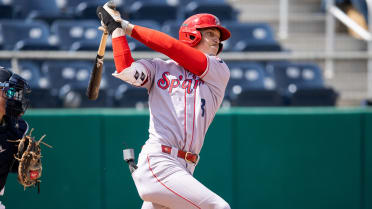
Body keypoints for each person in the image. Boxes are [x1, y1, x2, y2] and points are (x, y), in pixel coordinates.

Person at [97, 1, 231, 208]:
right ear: (192, 35)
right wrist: (117, 32)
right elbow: (126, 69)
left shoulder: (218, 70)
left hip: (185, 168)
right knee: (218, 207)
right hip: (159, 161)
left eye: (218, 36)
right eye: (211, 33)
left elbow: (172, 47)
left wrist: (127, 26)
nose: (217, 40)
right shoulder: (159, 68)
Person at [0, 67, 31, 209]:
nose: (14, 98)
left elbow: (18, 170)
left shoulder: (17, 128)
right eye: (9, 92)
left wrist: (28, 168)